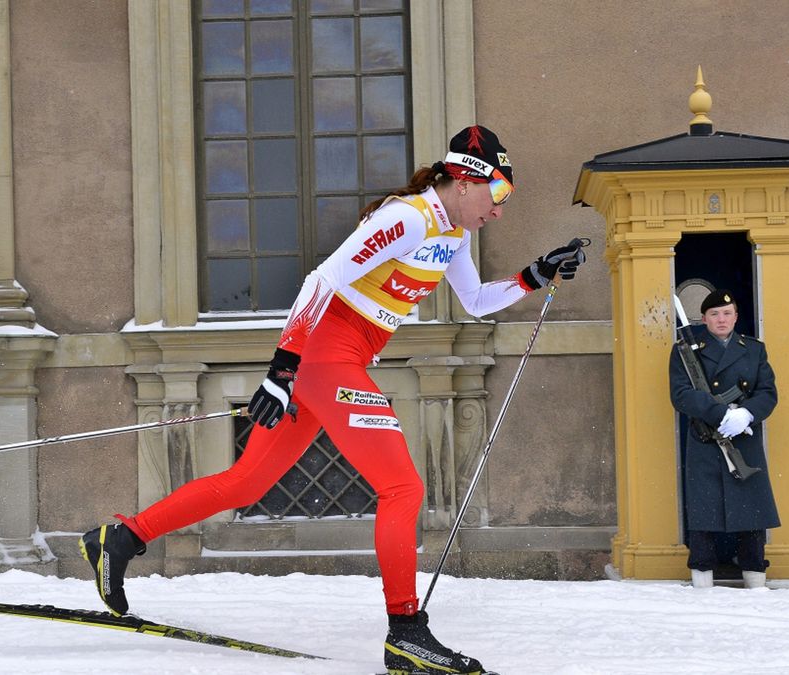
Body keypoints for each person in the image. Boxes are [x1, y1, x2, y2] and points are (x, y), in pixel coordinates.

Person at [80, 125, 585, 674]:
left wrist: (536, 275)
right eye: (501, 194)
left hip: (335, 363)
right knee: (402, 487)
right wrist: (283, 367)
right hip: (325, 358)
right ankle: (406, 633)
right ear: (465, 180)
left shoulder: (454, 235)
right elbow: (322, 280)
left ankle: (120, 538)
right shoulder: (408, 217)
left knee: (246, 482)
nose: (500, 210)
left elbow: (476, 301)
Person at [669, 288, 779, 590]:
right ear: (704, 318)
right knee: (704, 510)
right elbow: (681, 394)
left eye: (727, 313)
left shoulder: (753, 349)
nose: (721, 319)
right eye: (714, 314)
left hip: (743, 438)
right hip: (706, 438)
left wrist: (745, 415)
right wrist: (720, 414)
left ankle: (755, 574)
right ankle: (702, 575)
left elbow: (767, 393)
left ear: (736, 317)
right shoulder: (686, 349)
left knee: (750, 509)